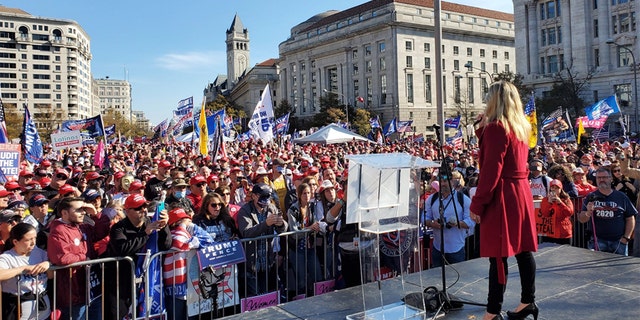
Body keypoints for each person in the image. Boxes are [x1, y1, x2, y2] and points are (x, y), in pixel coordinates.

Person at [469, 81, 538, 320]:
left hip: (503, 195)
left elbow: (491, 169)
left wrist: (478, 203)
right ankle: (528, 301)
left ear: (495, 100)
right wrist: (481, 130)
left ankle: (492, 312)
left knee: (498, 255)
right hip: (520, 191)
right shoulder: (522, 127)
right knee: (523, 250)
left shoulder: (497, 128)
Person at [104, 194, 172, 319]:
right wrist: (145, 234)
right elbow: (122, 249)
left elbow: (166, 245)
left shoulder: (149, 222)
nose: (143, 210)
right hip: (121, 281)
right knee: (120, 315)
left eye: (144, 206)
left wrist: (164, 227)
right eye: (138, 208)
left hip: (145, 280)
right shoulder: (118, 228)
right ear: (127, 211)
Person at [47, 196, 110, 320]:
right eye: (79, 210)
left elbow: (100, 233)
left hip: (92, 287)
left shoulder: (82, 226)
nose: (83, 212)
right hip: (73, 291)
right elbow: (61, 258)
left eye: (83, 209)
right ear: (64, 213)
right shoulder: (58, 230)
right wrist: (86, 257)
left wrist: (96, 214)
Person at [236, 183, 287, 297]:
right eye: (262, 196)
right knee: (254, 296)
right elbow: (246, 232)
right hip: (252, 263)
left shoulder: (271, 207)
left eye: (267, 196)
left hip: (267, 261)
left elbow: (283, 228)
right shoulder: (245, 210)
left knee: (267, 293)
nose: (265, 200)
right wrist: (266, 224)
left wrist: (280, 224)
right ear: (254, 196)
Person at [163, 207, 215, 320]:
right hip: (175, 286)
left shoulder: (185, 233)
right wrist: (184, 227)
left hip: (187, 284)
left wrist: (192, 233)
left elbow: (209, 239)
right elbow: (179, 243)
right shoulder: (175, 233)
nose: (189, 222)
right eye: (185, 219)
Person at [578, 168, 636, 256]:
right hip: (597, 241)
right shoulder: (591, 196)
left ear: (611, 179)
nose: (601, 180)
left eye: (604, 177)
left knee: (621, 269)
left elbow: (630, 218)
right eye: (599, 178)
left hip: (618, 242)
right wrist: (588, 213)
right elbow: (582, 219)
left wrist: (626, 238)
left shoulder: (621, 196)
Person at [424, 169, 475, 267]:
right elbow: (424, 217)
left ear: (452, 181)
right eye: (441, 181)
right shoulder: (432, 199)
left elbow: (471, 221)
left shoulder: (463, 199)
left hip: (456, 249)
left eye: (445, 181)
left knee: (457, 279)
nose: (443, 184)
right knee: (437, 279)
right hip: (437, 249)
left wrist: (457, 223)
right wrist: (432, 223)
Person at [0, 223, 51, 320]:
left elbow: (51, 276)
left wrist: (48, 264)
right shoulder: (7, 257)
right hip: (19, 310)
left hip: (43, 309)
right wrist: (22, 269)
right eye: (28, 240)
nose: (33, 242)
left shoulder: (40, 253)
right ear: (15, 241)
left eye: (35, 238)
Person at [286, 183, 323, 296]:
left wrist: (316, 227)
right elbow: (294, 232)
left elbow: (316, 221)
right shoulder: (292, 209)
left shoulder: (312, 207)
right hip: (297, 248)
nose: (307, 196)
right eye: (304, 193)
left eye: (308, 193)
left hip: (310, 246)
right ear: (299, 195)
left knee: (317, 276)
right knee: (301, 280)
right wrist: (310, 228)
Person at [539, 179, 574, 245]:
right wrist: (549, 203)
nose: (554, 190)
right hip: (550, 233)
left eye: (557, 188)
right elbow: (544, 214)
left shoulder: (566, 199)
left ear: (561, 189)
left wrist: (560, 203)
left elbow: (570, 213)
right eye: (552, 188)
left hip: (563, 233)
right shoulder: (545, 200)